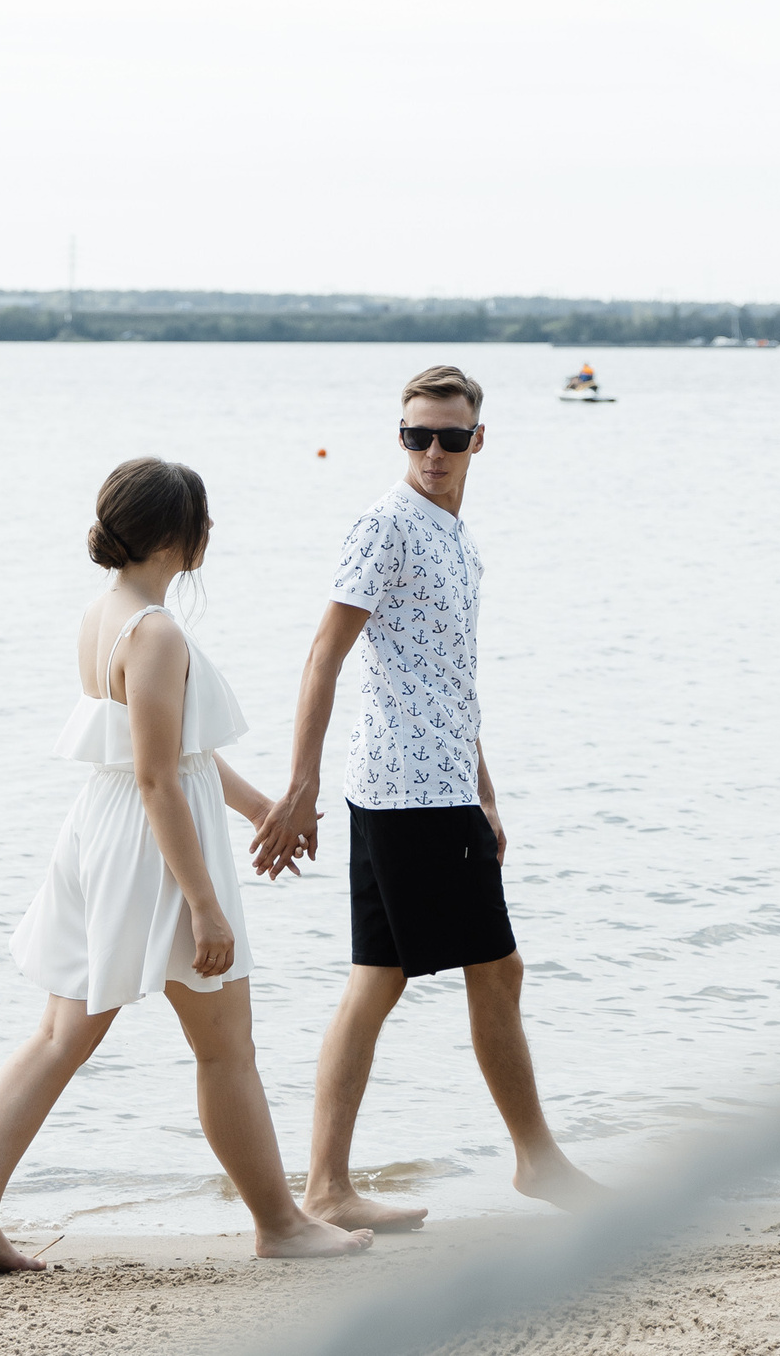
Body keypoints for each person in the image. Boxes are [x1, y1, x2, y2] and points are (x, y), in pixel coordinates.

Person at [0, 457, 374, 1272]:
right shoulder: (160, 630)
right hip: (155, 844)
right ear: (180, 539)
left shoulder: (105, 613)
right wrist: (205, 905)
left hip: (100, 833)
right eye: (204, 524)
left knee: (59, 1032)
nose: (211, 536)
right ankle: (280, 1224)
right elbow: (159, 775)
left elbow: (172, 756)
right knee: (225, 1048)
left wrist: (263, 810)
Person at [251, 366, 603, 1231]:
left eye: (450, 437)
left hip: (437, 785)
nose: (434, 452)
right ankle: (536, 1161)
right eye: (418, 435)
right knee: (489, 967)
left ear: (478, 440)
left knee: (382, 978)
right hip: (406, 791)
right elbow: (323, 656)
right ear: (400, 437)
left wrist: (484, 790)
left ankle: (329, 1186)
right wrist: (298, 784)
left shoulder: (459, 537)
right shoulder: (387, 526)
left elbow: (449, 679)